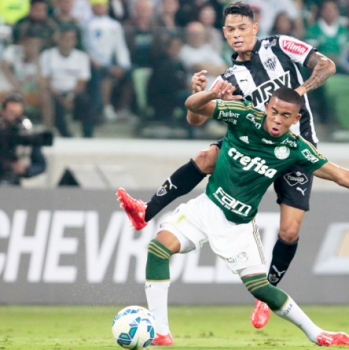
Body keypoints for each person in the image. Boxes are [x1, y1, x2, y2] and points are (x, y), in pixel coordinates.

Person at [119, 84, 349, 346]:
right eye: (274, 111)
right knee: (158, 250)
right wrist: (211, 92)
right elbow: (192, 106)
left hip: (238, 227)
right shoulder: (242, 116)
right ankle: (161, 332)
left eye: (286, 116)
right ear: (267, 107)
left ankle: (317, 334)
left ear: (296, 119)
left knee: (262, 289)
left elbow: (341, 175)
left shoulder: (295, 148)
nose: (278, 119)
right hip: (205, 208)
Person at [116, 1, 337, 333]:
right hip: (254, 147)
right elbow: (194, 119)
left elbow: (327, 65)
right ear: (224, 34)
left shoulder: (281, 45)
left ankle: (266, 294)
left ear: (254, 28)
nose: (237, 35)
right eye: (230, 30)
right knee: (207, 157)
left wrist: (299, 91)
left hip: (294, 150)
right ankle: (146, 211)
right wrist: (200, 95)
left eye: (242, 28)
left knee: (290, 230)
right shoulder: (230, 78)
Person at [39, 26, 94, 137]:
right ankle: (66, 135)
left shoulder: (81, 57)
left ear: (75, 41)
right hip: (54, 92)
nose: (68, 42)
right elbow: (45, 80)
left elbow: (82, 82)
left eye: (71, 39)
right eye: (65, 38)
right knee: (54, 104)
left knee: (85, 101)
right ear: (59, 39)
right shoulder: (47, 55)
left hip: (74, 92)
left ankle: (87, 135)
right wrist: (61, 98)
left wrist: (69, 97)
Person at [0, 93, 49, 186]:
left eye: (17, 114)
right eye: (11, 112)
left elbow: (40, 165)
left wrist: (26, 170)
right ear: (3, 111)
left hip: (15, 179)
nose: (14, 117)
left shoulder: (27, 133)